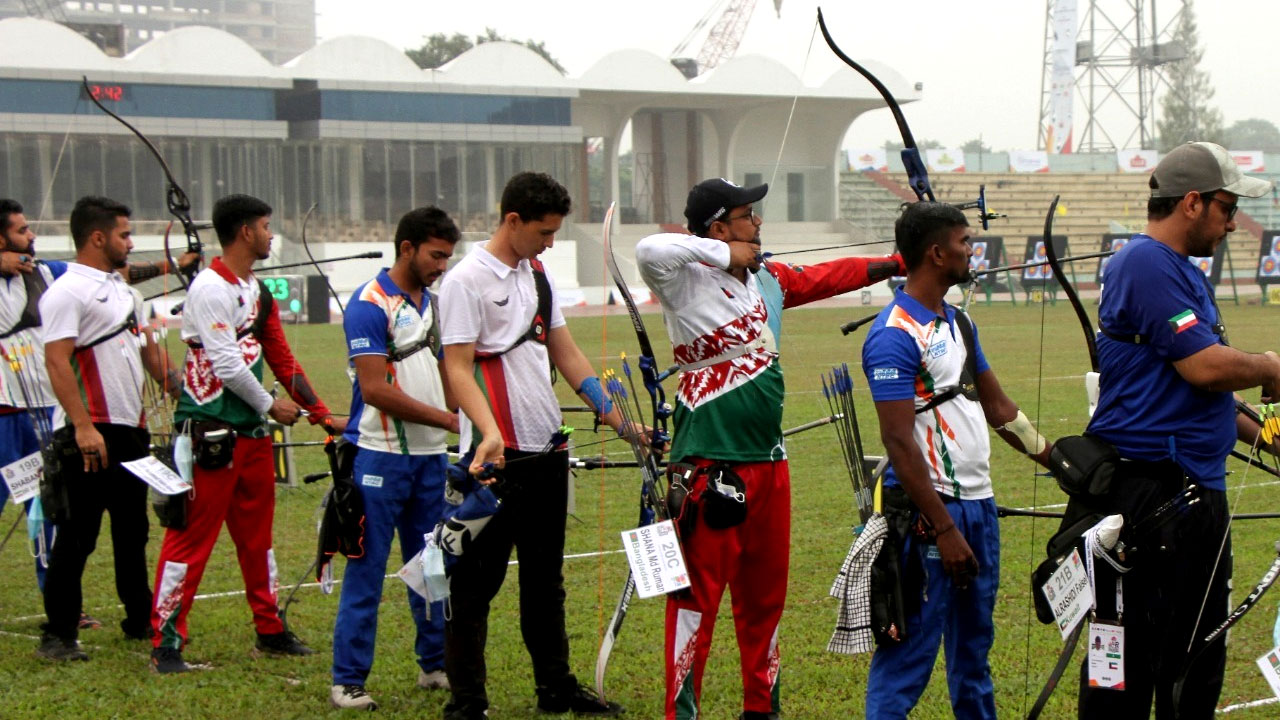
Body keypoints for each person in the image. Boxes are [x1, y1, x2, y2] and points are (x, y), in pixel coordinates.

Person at [633, 178, 905, 720]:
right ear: (717, 227)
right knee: (695, 606)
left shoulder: (767, 281)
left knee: (764, 603)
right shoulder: (683, 282)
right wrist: (723, 253)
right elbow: (648, 247)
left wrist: (898, 262)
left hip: (769, 466)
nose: (758, 224)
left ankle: (763, 710)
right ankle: (682, 714)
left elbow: (830, 277)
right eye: (745, 216)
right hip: (708, 465)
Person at [1080, 141, 1276, 719]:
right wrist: (1269, 365)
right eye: (1226, 207)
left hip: (1187, 496)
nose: (1233, 223)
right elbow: (1205, 366)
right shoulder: (1145, 262)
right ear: (1192, 202)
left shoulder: (1178, 272)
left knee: (1193, 665)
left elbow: (1201, 389)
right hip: (1155, 500)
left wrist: (1267, 435)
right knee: (1128, 670)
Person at [439, 172, 630, 720]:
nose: (550, 242)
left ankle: (557, 689)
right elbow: (455, 367)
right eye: (543, 232)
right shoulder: (466, 280)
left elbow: (568, 356)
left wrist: (618, 419)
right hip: (494, 459)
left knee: (546, 582)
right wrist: (488, 430)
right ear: (513, 220)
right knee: (475, 587)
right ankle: (467, 704)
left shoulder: (537, 273)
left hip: (547, 453)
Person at [860, 201, 1052, 719]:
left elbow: (997, 408)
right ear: (937, 252)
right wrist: (943, 530)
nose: (973, 250)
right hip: (931, 517)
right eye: (965, 242)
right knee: (907, 657)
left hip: (978, 509)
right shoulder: (893, 335)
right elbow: (898, 442)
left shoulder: (960, 322)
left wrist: (1056, 460)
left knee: (973, 654)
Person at [148, 193, 342, 673]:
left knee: (258, 540)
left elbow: (281, 356)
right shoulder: (211, 287)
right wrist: (270, 404)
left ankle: (270, 630)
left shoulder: (258, 291)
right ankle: (166, 644)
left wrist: (318, 412)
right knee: (190, 539)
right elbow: (225, 362)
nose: (270, 234)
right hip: (210, 436)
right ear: (244, 232)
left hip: (252, 437)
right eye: (265, 226)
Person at [1, 199, 191, 622]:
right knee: (78, 534)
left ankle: (140, 619)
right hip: (88, 431)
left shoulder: (122, 291)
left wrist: (183, 393)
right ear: (98, 237)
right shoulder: (68, 290)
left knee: (132, 532)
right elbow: (57, 361)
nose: (130, 242)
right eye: (124, 235)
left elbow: (150, 351)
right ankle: (61, 633)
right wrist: (84, 428)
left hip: (131, 430)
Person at [329, 207, 462, 711]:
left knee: (432, 567)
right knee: (366, 571)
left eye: (448, 257)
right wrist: (447, 421)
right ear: (406, 248)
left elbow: (450, 372)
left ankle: (434, 664)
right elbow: (374, 389)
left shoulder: (438, 303)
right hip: (381, 461)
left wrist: (464, 415)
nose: (441, 266)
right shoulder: (369, 303)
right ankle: (348, 680)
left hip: (432, 462)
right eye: (435, 255)